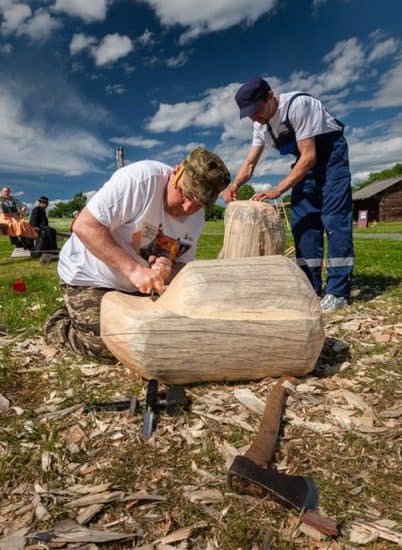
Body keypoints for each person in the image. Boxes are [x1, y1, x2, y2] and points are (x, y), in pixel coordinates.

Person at [45, 147, 230, 361]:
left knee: (163, 339)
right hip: (90, 276)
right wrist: (134, 270)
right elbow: (84, 226)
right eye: (186, 194)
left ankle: (86, 315)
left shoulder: (197, 219)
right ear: (176, 172)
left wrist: (167, 268)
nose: (187, 207)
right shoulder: (141, 179)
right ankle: (60, 321)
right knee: (111, 348)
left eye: (199, 203)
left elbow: (181, 265)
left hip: (136, 287)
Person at [222, 77, 354, 312]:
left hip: (330, 157)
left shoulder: (298, 105)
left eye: (257, 110)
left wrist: (277, 190)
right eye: (249, 113)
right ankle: (310, 286)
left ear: (270, 96)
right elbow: (250, 164)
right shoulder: (259, 126)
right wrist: (235, 184)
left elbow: (310, 156)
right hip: (304, 163)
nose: (254, 117)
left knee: (334, 219)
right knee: (303, 221)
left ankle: (337, 291)